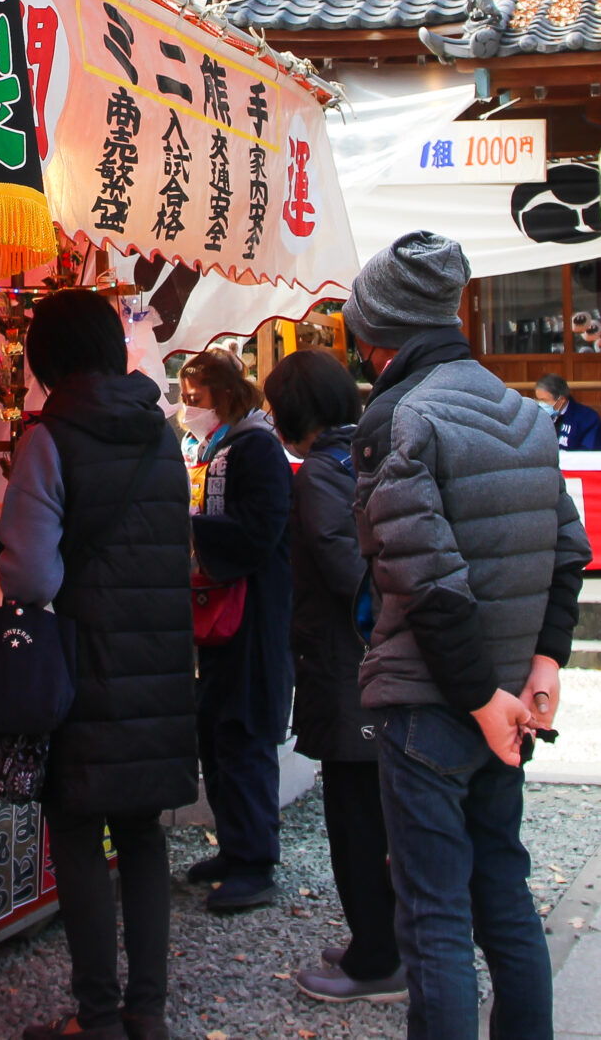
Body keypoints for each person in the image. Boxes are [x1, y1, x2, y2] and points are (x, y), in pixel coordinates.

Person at [347, 231, 591, 1040]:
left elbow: (425, 580)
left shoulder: (401, 417)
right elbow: (568, 550)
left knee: (435, 915)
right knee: (504, 894)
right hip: (507, 697)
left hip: (440, 700)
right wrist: (542, 663)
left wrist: (482, 696)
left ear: (382, 331)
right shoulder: (524, 412)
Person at [0, 290, 198, 1040]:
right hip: (159, 666)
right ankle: (148, 1014)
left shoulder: (50, 438)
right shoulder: (161, 432)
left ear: (46, 357)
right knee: (142, 835)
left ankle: (100, 1017)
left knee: (80, 835)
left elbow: (30, 578)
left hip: (81, 665)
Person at [264, 348, 402, 1004]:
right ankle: (382, 940)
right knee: (375, 810)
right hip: (379, 663)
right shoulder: (371, 452)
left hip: (348, 667)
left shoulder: (320, 473)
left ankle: (376, 959)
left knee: (354, 818)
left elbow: (345, 567)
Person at [178, 345, 295, 912]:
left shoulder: (256, 447)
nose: (188, 406)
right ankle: (234, 846)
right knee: (216, 730)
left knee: (244, 732)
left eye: (194, 396)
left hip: (252, 610)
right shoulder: (214, 447)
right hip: (218, 605)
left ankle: (255, 860)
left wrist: (188, 528)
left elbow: (259, 529)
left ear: (223, 394)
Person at [533, 374, 601, 450]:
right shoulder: (536, 417)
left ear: (561, 400)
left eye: (544, 400)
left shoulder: (588, 418)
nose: (540, 404)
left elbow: (591, 451)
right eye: (538, 400)